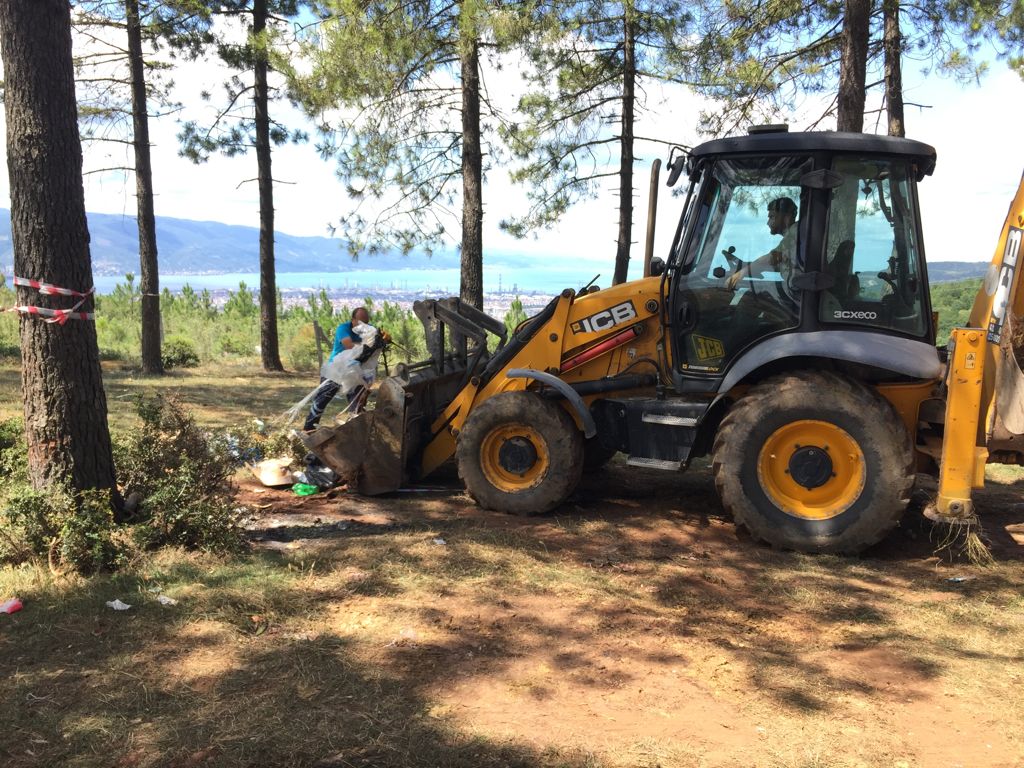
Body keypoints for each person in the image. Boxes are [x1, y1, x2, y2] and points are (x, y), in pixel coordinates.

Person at [303, 307, 370, 431]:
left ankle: (357, 433)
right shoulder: (343, 328)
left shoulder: (369, 330)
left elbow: (374, 342)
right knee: (320, 402)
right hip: (335, 371)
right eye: (360, 322)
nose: (363, 325)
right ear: (353, 320)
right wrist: (368, 345)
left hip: (354, 372)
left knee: (357, 406)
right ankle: (308, 430)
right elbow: (348, 345)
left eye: (366, 322)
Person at [726, 196, 799, 290]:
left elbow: (770, 258)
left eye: (772, 217)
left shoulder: (796, 231)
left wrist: (740, 274)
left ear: (786, 216)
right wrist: (745, 266)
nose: (768, 222)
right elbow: (775, 262)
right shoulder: (792, 236)